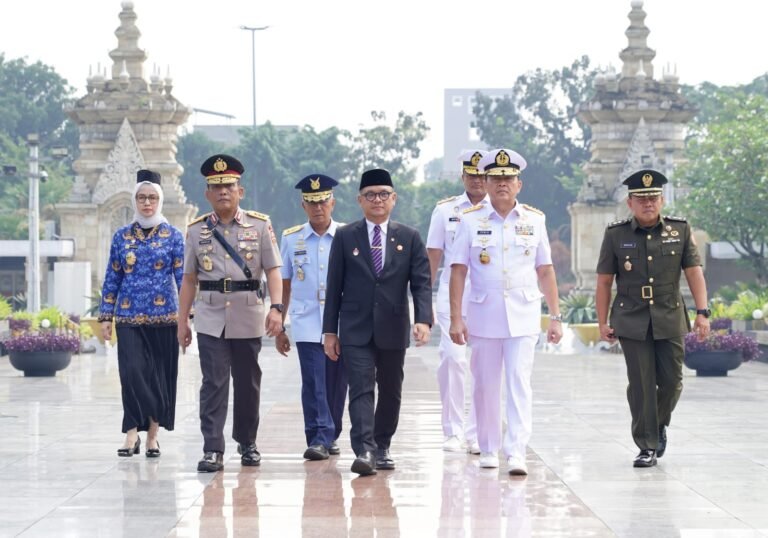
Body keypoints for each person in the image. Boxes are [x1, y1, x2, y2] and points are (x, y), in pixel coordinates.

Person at [449, 148, 563, 475]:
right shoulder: (470, 221)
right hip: (484, 316)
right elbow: (458, 271)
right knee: (485, 384)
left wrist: (555, 316)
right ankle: (488, 446)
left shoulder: (534, 219)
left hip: (524, 314)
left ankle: (516, 451)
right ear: (484, 182)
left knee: (518, 382)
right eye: (496, 178)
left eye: (508, 178)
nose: (502, 184)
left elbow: (545, 270)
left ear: (519, 184)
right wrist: (456, 318)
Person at [595, 169, 710, 468]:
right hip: (631, 317)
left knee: (672, 382)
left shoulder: (680, 230)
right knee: (642, 383)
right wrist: (602, 321)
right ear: (630, 202)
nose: (648, 203)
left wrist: (702, 312)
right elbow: (604, 281)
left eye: (654, 198)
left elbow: (694, 272)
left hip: (669, 315)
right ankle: (646, 444)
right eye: (642, 198)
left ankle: (657, 424)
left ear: (662, 200)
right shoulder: (615, 234)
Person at [177, 154, 283, 472]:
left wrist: (277, 308)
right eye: (216, 186)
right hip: (210, 314)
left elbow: (274, 270)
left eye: (229, 186)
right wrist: (182, 320)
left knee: (248, 382)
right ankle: (212, 448)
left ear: (241, 191)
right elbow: (189, 279)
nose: (223, 191)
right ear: (207, 193)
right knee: (213, 382)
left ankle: (247, 442)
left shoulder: (260, 225)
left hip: (249, 313)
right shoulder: (196, 231)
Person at [323, 168, 433, 476]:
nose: (377, 200)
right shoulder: (346, 236)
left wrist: (423, 319)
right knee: (360, 387)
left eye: (384, 194)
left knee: (391, 389)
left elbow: (421, 282)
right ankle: (365, 450)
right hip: (355, 327)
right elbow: (334, 285)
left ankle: (382, 444)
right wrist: (330, 331)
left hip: (393, 325)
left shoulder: (409, 237)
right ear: (359, 200)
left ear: (394, 198)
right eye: (370, 195)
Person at [99, 169, 185, 458]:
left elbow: (183, 278)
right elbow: (112, 277)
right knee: (132, 372)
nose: (146, 203)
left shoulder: (173, 236)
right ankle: (131, 432)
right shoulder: (122, 236)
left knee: (159, 377)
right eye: (141, 198)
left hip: (165, 318)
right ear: (134, 200)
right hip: (127, 316)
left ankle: (152, 437)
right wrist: (105, 315)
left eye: (151, 198)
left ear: (159, 200)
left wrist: (187, 317)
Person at [276, 173, 348, 461]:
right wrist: (280, 322)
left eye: (322, 201)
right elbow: (285, 282)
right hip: (306, 319)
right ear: (303, 205)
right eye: (311, 202)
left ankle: (331, 433)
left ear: (332, 202)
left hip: (340, 322)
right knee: (313, 381)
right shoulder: (291, 238)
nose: (318, 207)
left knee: (336, 382)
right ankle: (318, 436)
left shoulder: (346, 235)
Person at [426, 149, 488, 454]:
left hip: (488, 299)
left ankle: (477, 433)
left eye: (482, 175)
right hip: (453, 296)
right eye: (471, 175)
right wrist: (423, 303)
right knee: (452, 359)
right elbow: (433, 260)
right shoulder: (445, 211)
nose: (477, 181)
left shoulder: (499, 210)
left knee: (483, 366)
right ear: (463, 177)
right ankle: (453, 430)